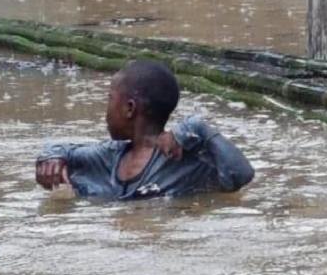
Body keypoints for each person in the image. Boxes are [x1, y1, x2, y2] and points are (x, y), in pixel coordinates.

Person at [35, 59, 254, 199]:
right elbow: (62, 150)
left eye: (110, 99)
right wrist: (52, 158)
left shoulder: (185, 159)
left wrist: (199, 127)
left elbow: (241, 175)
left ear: (129, 108)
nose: (106, 110)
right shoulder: (110, 155)